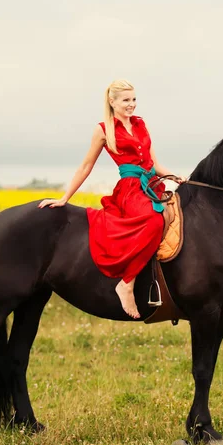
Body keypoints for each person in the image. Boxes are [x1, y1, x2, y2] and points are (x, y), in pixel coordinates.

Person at [38, 79, 184, 319]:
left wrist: (173, 176)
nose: (132, 105)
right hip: (130, 189)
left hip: (152, 184)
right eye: (126, 100)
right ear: (112, 101)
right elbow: (86, 166)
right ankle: (126, 283)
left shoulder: (140, 124)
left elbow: (154, 164)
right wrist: (65, 198)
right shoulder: (103, 130)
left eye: (134, 99)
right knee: (154, 221)